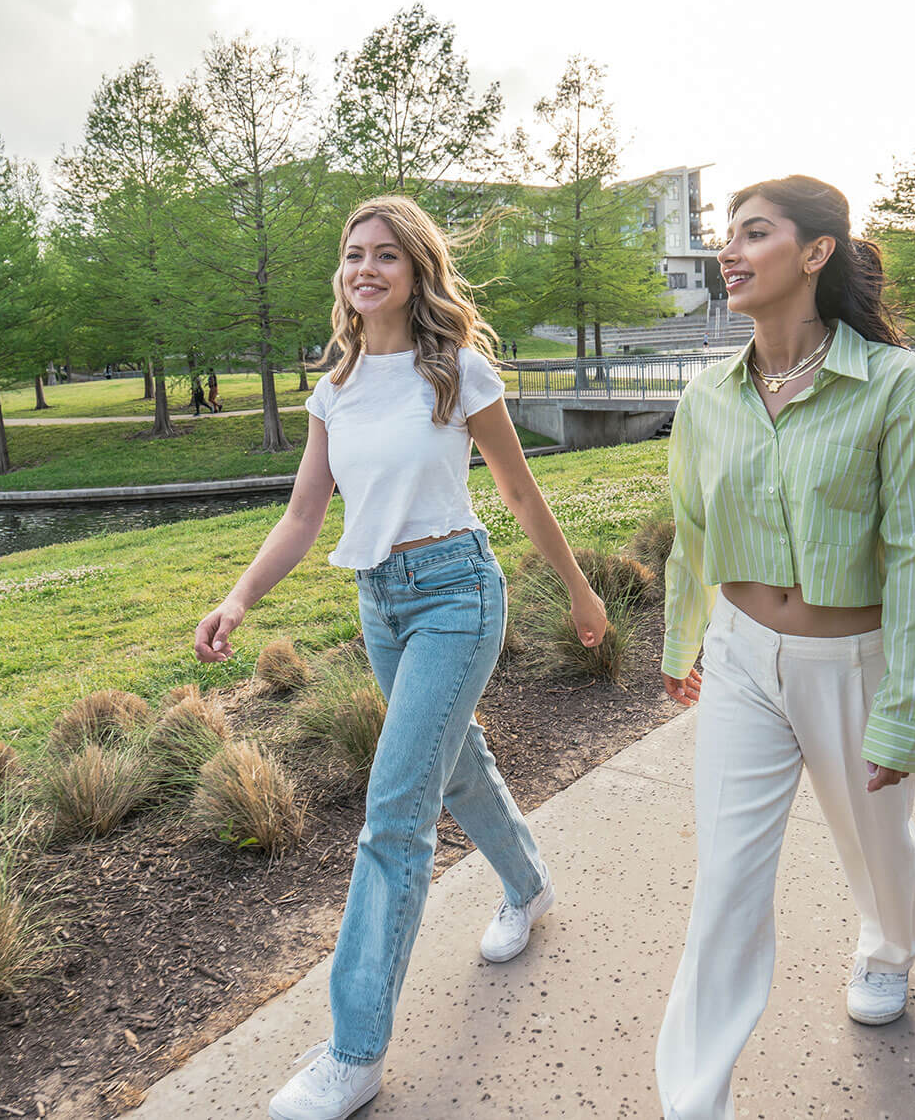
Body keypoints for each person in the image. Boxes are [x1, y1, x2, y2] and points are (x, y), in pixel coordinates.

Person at [194, 196, 609, 1120]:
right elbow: (305, 514)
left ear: (417, 271)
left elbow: (518, 488)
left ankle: (354, 1052)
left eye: (386, 254)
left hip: (459, 594)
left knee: (392, 815)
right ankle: (529, 884)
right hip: (379, 601)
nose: (365, 269)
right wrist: (238, 597)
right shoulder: (335, 385)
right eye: (353, 255)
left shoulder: (454, 370)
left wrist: (579, 590)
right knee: (457, 765)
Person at [655, 176, 915, 1120]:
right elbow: (690, 529)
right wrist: (684, 637)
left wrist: (907, 709)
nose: (730, 252)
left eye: (755, 233)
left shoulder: (896, 385)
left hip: (854, 661)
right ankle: (694, 1102)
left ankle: (885, 948)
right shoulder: (707, 395)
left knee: (877, 844)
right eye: (726, 236)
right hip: (744, 658)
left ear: (817, 251)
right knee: (726, 885)